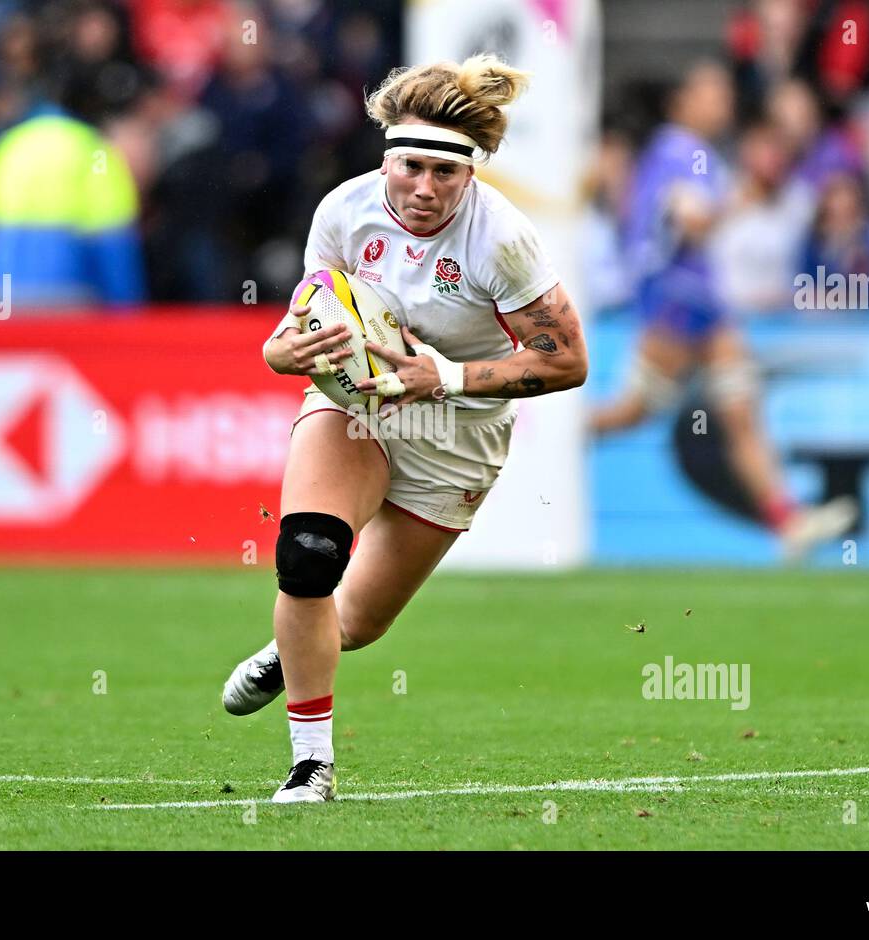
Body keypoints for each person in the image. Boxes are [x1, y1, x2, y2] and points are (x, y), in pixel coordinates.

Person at [220, 54, 588, 803]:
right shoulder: (343, 212)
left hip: (458, 432)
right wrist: (276, 351)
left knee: (355, 622)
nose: (424, 188)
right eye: (410, 166)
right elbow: (310, 323)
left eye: (444, 174)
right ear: (387, 158)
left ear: (471, 173)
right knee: (310, 556)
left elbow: (567, 360)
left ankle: (289, 651)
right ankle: (311, 766)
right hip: (359, 408)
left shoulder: (503, 241)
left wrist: (443, 375)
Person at [588, 61, 855, 560]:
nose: (723, 101)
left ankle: (787, 521)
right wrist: (745, 200)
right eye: (711, 91)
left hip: (701, 306)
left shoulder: (684, 153)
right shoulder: (682, 153)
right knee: (635, 411)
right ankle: (544, 444)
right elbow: (693, 224)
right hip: (678, 306)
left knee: (739, 412)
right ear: (682, 101)